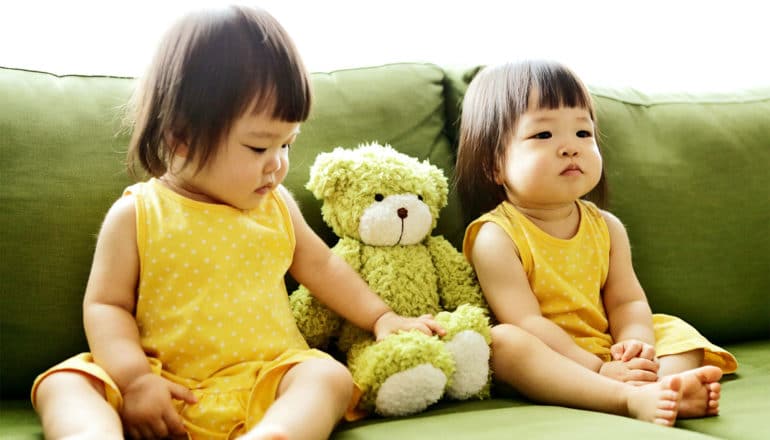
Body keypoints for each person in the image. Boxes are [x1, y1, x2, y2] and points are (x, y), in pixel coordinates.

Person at [30, 6, 445, 440]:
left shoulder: (276, 206)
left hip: (262, 382)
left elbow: (322, 268)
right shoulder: (138, 213)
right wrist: (134, 380)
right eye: (258, 148)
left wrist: (381, 317)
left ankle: (276, 433)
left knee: (328, 379)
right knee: (64, 384)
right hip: (158, 386)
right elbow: (106, 305)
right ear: (181, 137)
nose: (279, 166)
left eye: (287, 144)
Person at [455, 60, 738, 425]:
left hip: (609, 347)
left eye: (583, 133)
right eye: (543, 135)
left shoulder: (606, 227)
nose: (569, 148)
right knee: (504, 343)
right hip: (554, 358)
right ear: (493, 165)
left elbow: (627, 299)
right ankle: (626, 398)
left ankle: (660, 385)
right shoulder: (495, 236)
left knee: (675, 330)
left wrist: (636, 345)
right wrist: (596, 368)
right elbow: (526, 321)